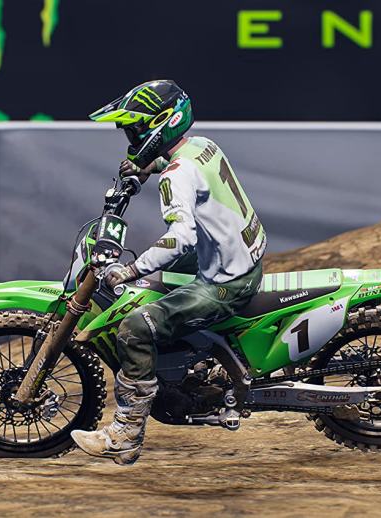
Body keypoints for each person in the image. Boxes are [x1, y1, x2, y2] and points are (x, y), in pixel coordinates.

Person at [70, 80, 267, 465]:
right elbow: (185, 168)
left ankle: (125, 435)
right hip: (237, 255)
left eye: (135, 130)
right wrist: (148, 166)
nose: (131, 138)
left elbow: (181, 239)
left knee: (134, 328)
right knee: (153, 289)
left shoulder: (176, 175)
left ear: (162, 124)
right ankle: (185, 367)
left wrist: (130, 269)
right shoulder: (201, 145)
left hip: (227, 281)